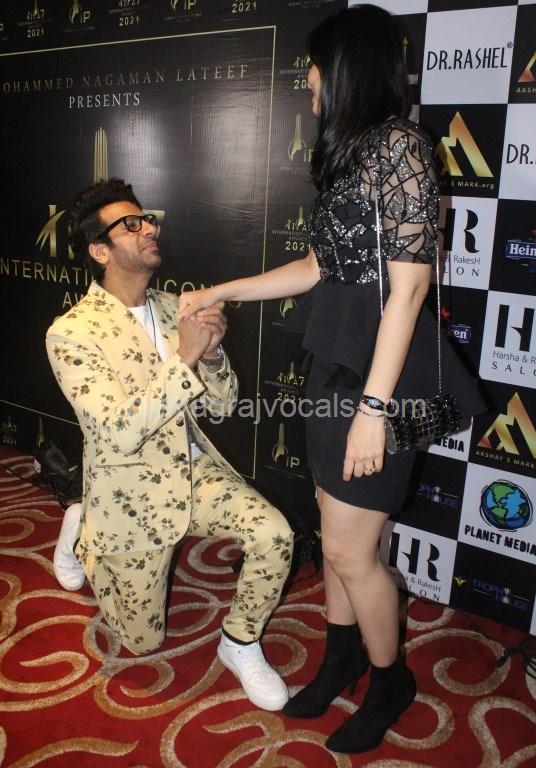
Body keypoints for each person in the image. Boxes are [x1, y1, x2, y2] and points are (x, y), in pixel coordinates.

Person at [178, 4, 485, 754]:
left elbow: (410, 290)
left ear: (347, 68)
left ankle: (389, 680)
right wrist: (222, 289)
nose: (307, 80)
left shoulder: (402, 147)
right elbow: (317, 267)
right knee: (336, 532)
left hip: (380, 377)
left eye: (315, 66)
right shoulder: (352, 154)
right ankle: (341, 658)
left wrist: (375, 410)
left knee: (351, 550)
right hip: (334, 363)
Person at [46, 178, 294, 712]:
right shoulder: (72, 332)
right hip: (128, 492)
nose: (148, 229)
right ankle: (85, 529)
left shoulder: (174, 307)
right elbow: (118, 431)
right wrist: (184, 357)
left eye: (147, 220)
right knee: (142, 642)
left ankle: (240, 641)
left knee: (274, 534)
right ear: (99, 251)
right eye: (130, 225)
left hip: (194, 470)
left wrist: (212, 354)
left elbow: (222, 405)